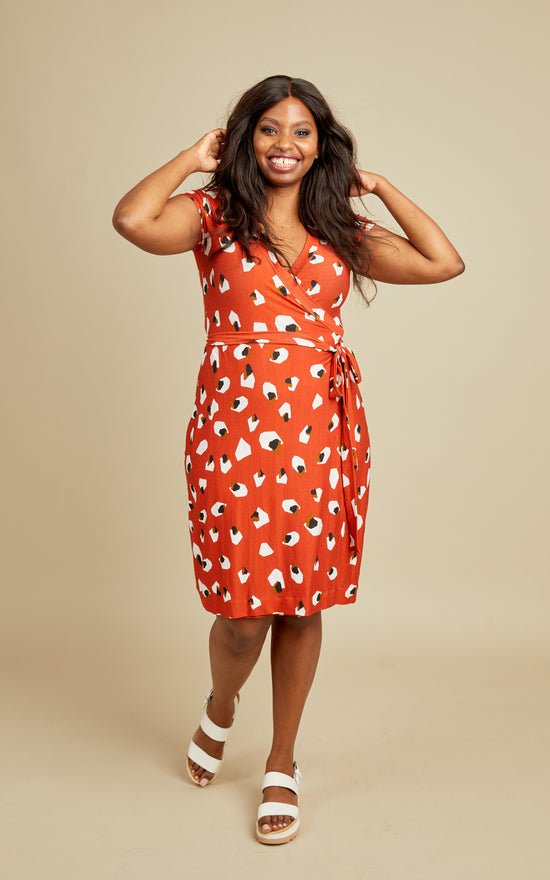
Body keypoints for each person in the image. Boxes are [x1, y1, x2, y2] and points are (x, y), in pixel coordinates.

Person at [112, 74, 465, 845]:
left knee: (302, 602)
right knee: (242, 616)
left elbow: (443, 263)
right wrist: (190, 159)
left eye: (302, 131)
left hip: (321, 435)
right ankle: (220, 706)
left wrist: (383, 187)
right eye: (270, 128)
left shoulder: (340, 229)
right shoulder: (213, 214)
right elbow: (133, 219)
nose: (285, 144)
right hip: (233, 432)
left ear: (320, 145)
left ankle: (281, 760)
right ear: (247, 137)